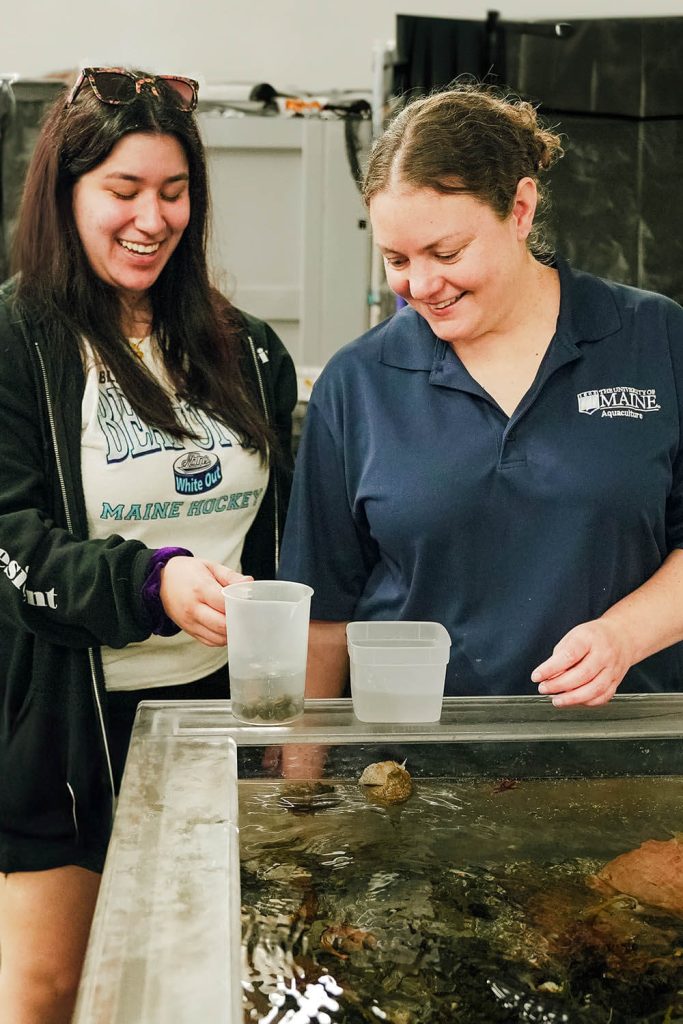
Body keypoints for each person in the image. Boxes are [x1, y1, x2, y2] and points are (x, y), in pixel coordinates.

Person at [0, 67, 296, 1024]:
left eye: (174, 192)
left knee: (198, 986)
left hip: (217, 720)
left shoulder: (248, 348)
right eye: (122, 190)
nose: (151, 219)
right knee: (49, 989)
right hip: (66, 728)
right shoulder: (16, 341)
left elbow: (281, 537)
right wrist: (151, 583)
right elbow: (12, 543)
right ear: (65, 193)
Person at [278, 82, 683, 710]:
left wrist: (624, 636)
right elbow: (322, 611)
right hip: (413, 753)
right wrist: (304, 764)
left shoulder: (653, 339)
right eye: (396, 259)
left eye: (447, 253)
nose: (421, 285)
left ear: (520, 209)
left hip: (620, 746)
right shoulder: (358, 383)